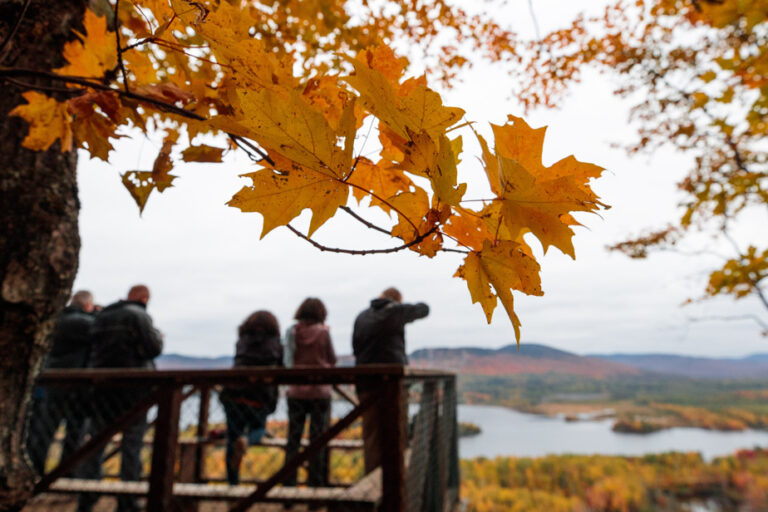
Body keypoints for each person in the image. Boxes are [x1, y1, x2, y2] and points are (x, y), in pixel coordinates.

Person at [77, 284, 163, 512]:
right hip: (134, 391)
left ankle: (86, 496)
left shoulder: (103, 315)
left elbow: (91, 350)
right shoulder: (139, 315)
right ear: (144, 298)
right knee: (131, 448)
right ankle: (127, 499)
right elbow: (153, 348)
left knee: (96, 444)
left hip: (102, 389)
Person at [352, 287, 429, 474]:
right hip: (393, 384)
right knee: (396, 433)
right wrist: (401, 309)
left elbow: (355, 347)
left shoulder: (361, 316)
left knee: (371, 436)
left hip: (365, 383)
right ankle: (395, 481)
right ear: (397, 300)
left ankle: (372, 480)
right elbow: (424, 309)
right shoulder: (395, 311)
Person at [27, 290, 95, 475]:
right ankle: (67, 473)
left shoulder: (55, 321)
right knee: (75, 433)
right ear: (87, 305)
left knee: (45, 430)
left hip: (51, 380)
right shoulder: (86, 323)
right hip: (76, 384)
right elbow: (99, 331)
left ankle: (36, 471)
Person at [219, 310, 283, 485]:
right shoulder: (275, 343)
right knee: (259, 430)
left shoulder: (242, 341)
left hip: (233, 395)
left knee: (231, 441)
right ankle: (247, 441)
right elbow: (281, 368)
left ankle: (233, 487)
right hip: (258, 398)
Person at [283, 298, 337, 487]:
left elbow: (287, 360)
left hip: (296, 392)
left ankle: (288, 487)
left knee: (293, 440)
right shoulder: (323, 333)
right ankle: (315, 487)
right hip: (320, 393)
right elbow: (332, 359)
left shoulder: (292, 332)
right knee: (317, 441)